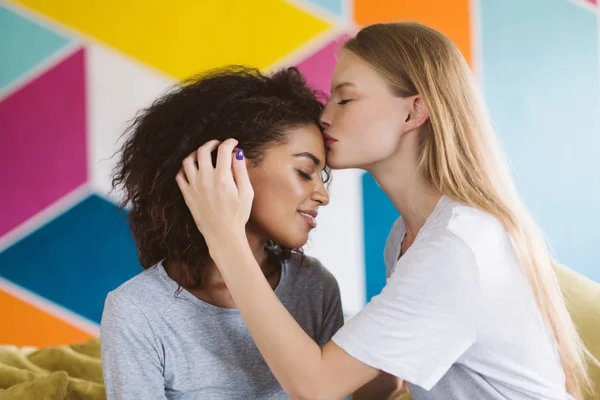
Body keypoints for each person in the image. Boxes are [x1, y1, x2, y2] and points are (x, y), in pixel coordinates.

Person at [176, 22, 597, 400]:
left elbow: (315, 387)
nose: (324, 116)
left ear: (414, 111)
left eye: (345, 99)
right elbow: (388, 379)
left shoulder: (455, 248)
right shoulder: (408, 235)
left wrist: (225, 238)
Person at [100, 66, 347, 400]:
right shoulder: (136, 311)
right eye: (305, 172)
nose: (323, 195)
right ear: (227, 166)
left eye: (322, 176)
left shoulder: (313, 288)